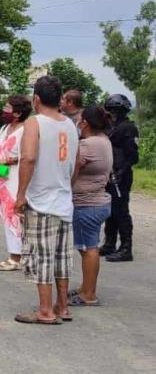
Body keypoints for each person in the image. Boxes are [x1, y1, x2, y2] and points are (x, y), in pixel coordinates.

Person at [14, 76, 78, 325]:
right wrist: (65, 188)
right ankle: (62, 306)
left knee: (41, 256)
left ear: (36, 99)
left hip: (41, 202)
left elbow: (28, 158)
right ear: (60, 99)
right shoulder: (71, 125)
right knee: (62, 257)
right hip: (63, 201)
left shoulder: (34, 123)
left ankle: (44, 310)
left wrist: (20, 195)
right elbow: (75, 164)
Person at [68, 105, 113, 306]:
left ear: (84, 122)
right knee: (88, 247)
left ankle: (89, 294)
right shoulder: (104, 140)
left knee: (89, 248)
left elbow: (72, 172)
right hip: (98, 201)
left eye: (79, 119)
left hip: (87, 204)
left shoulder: (87, 145)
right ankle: (86, 286)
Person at [0, 95, 32, 271]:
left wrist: (5, 161)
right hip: (1, 177)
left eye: (8, 108)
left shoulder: (25, 131)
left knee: (14, 215)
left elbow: (26, 156)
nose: (4, 111)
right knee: (7, 216)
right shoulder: (5, 128)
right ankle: (18, 253)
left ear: (18, 113)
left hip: (15, 177)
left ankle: (16, 257)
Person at [101, 94, 139, 263]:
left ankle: (125, 248)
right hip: (109, 173)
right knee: (110, 212)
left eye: (114, 110)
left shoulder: (128, 128)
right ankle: (109, 243)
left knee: (121, 211)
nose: (111, 113)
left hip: (121, 175)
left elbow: (133, 156)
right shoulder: (110, 127)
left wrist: (121, 172)